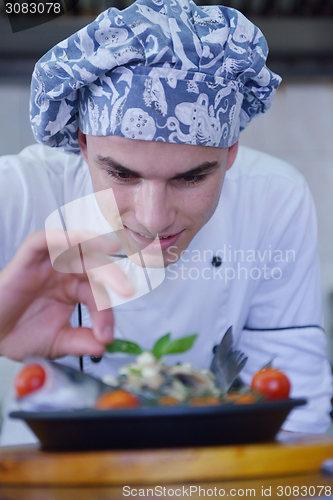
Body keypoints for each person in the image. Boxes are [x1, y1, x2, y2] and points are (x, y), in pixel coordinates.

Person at [0, 0, 332, 445]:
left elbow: (298, 422)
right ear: (81, 142)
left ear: (231, 151)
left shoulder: (272, 199)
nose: (153, 219)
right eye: (121, 173)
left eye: (191, 177)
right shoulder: (20, 193)